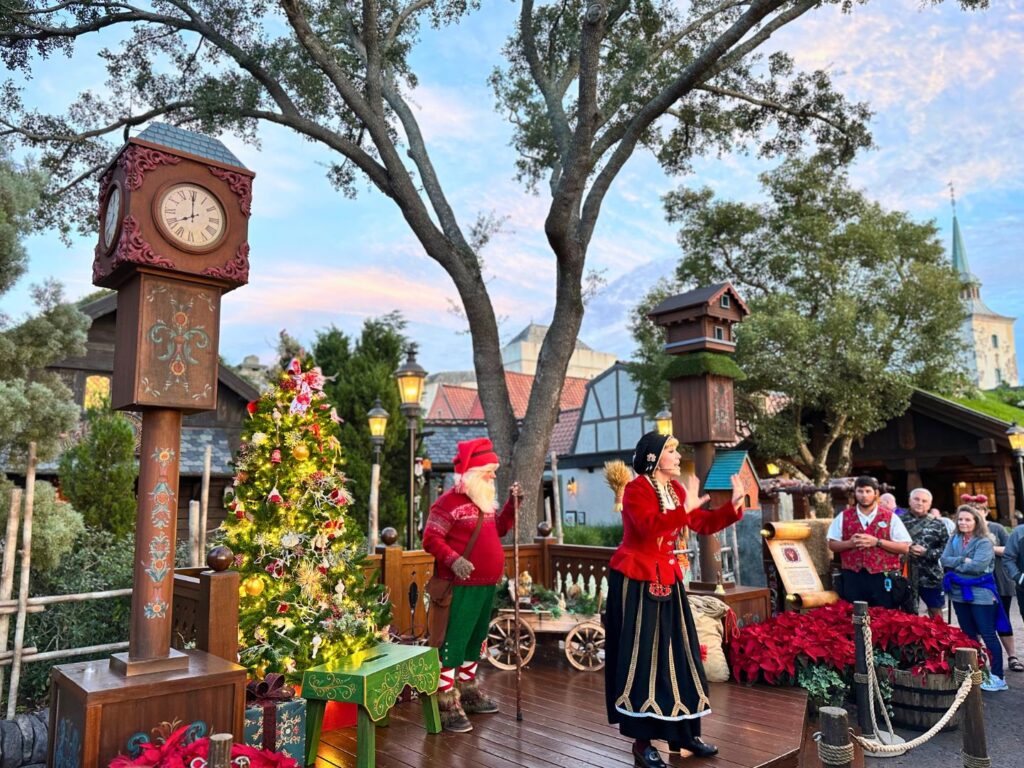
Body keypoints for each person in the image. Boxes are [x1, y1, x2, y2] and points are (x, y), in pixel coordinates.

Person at [604, 432, 744, 768]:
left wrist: (732, 509)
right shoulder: (637, 489)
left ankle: (684, 734)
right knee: (644, 661)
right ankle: (642, 743)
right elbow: (648, 528)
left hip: (668, 580)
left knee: (681, 656)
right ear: (653, 458)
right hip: (637, 581)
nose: (678, 455)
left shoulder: (677, 491)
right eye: (671, 450)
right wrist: (685, 509)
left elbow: (700, 522)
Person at [422, 437, 520, 732]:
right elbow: (430, 538)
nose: (493, 476)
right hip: (459, 587)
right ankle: (445, 699)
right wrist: (453, 560)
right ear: (473, 473)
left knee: (476, 641)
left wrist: (513, 506)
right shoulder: (447, 503)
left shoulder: (485, 504)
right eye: (488, 471)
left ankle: (467, 690)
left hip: (486, 585)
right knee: (453, 642)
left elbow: (500, 528)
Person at [940, 504, 1012, 692]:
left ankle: (998, 677)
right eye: (960, 519)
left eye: (968, 519)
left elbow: (978, 567)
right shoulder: (954, 538)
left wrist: (958, 563)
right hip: (958, 592)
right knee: (968, 634)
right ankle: (978, 671)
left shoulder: (985, 541)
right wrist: (964, 560)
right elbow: (944, 559)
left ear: (976, 521)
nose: (963, 523)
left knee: (987, 633)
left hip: (981, 593)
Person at [827, 477, 912, 608]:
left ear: (876, 493)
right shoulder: (843, 516)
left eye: (868, 491)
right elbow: (832, 545)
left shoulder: (890, 517)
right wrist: (850, 543)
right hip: (853, 577)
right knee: (855, 617)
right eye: (860, 491)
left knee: (885, 618)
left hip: (882, 577)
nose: (864, 495)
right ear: (855, 493)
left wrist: (877, 542)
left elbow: (904, 548)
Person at [970, 495, 1024, 673]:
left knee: (1003, 619)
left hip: (998, 581)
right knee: (976, 620)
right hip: (975, 582)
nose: (975, 513)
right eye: (971, 509)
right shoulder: (965, 531)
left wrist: (986, 549)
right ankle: (979, 658)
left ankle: (1012, 656)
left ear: (985, 512)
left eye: (978, 509)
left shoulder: (997, 528)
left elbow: (1009, 551)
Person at [902, 488, 949, 618]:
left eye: (924, 501)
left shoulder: (938, 523)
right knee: (906, 613)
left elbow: (948, 549)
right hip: (904, 575)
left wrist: (927, 553)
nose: (920, 503)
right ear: (909, 501)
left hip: (930, 575)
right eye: (916, 499)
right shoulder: (898, 521)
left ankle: (939, 637)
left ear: (929, 504)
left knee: (935, 612)